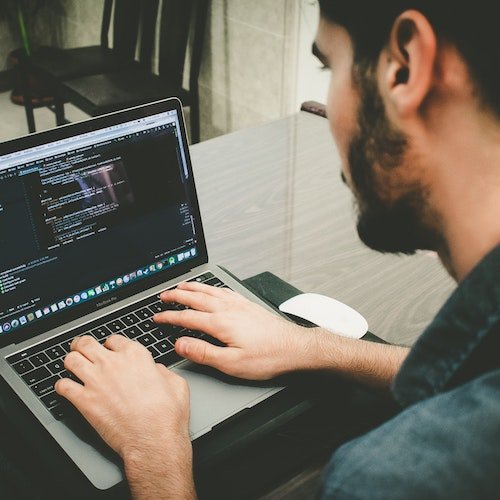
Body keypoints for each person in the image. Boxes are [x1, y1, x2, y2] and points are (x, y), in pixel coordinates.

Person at [55, 1, 500, 498]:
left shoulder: (386, 480)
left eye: (328, 66)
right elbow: (470, 367)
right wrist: (309, 345)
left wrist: (154, 451)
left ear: (405, 67)